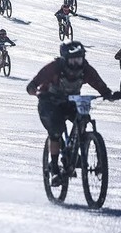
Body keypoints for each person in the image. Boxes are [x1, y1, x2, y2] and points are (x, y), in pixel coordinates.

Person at [27, 42, 120, 185]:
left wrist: (108, 94)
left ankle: (74, 149)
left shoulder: (85, 69)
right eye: (73, 59)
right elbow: (33, 84)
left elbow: (97, 82)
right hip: (50, 103)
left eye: (79, 59)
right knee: (56, 132)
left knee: (83, 118)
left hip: (70, 101)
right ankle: (55, 169)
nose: (76, 63)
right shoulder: (54, 67)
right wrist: (38, 92)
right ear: (64, 59)